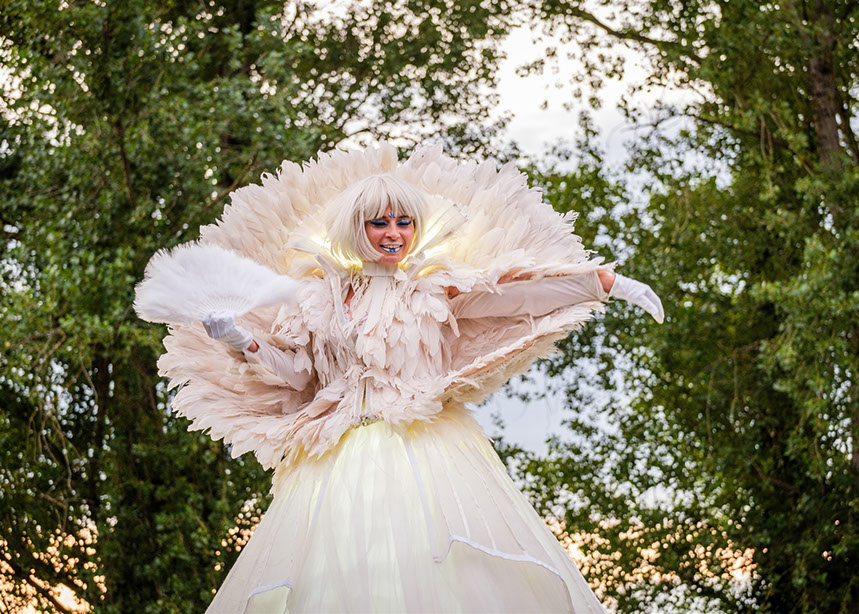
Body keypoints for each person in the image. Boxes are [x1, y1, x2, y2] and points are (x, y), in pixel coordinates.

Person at [154, 145, 663, 613]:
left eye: (404, 222)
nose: (393, 233)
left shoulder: (431, 291)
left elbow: (514, 297)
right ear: (356, 229)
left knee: (439, 569)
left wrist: (602, 283)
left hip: (423, 445)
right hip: (336, 456)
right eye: (379, 223)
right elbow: (297, 375)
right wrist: (239, 339)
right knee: (342, 579)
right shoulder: (318, 298)